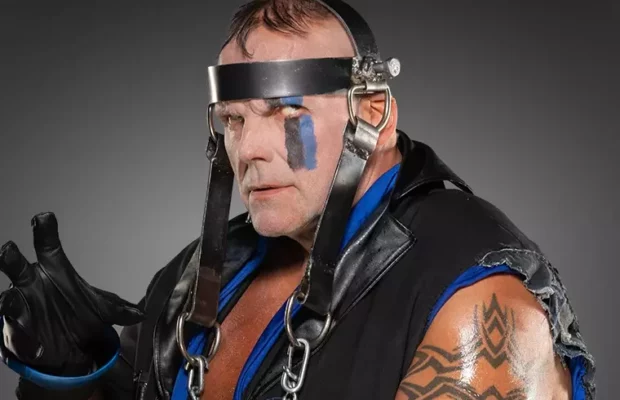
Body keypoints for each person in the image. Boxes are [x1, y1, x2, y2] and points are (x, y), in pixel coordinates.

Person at [0, 0, 596, 399]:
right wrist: (73, 376)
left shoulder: (475, 298)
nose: (249, 149)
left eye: (286, 113)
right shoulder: (201, 273)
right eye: (233, 120)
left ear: (374, 115)